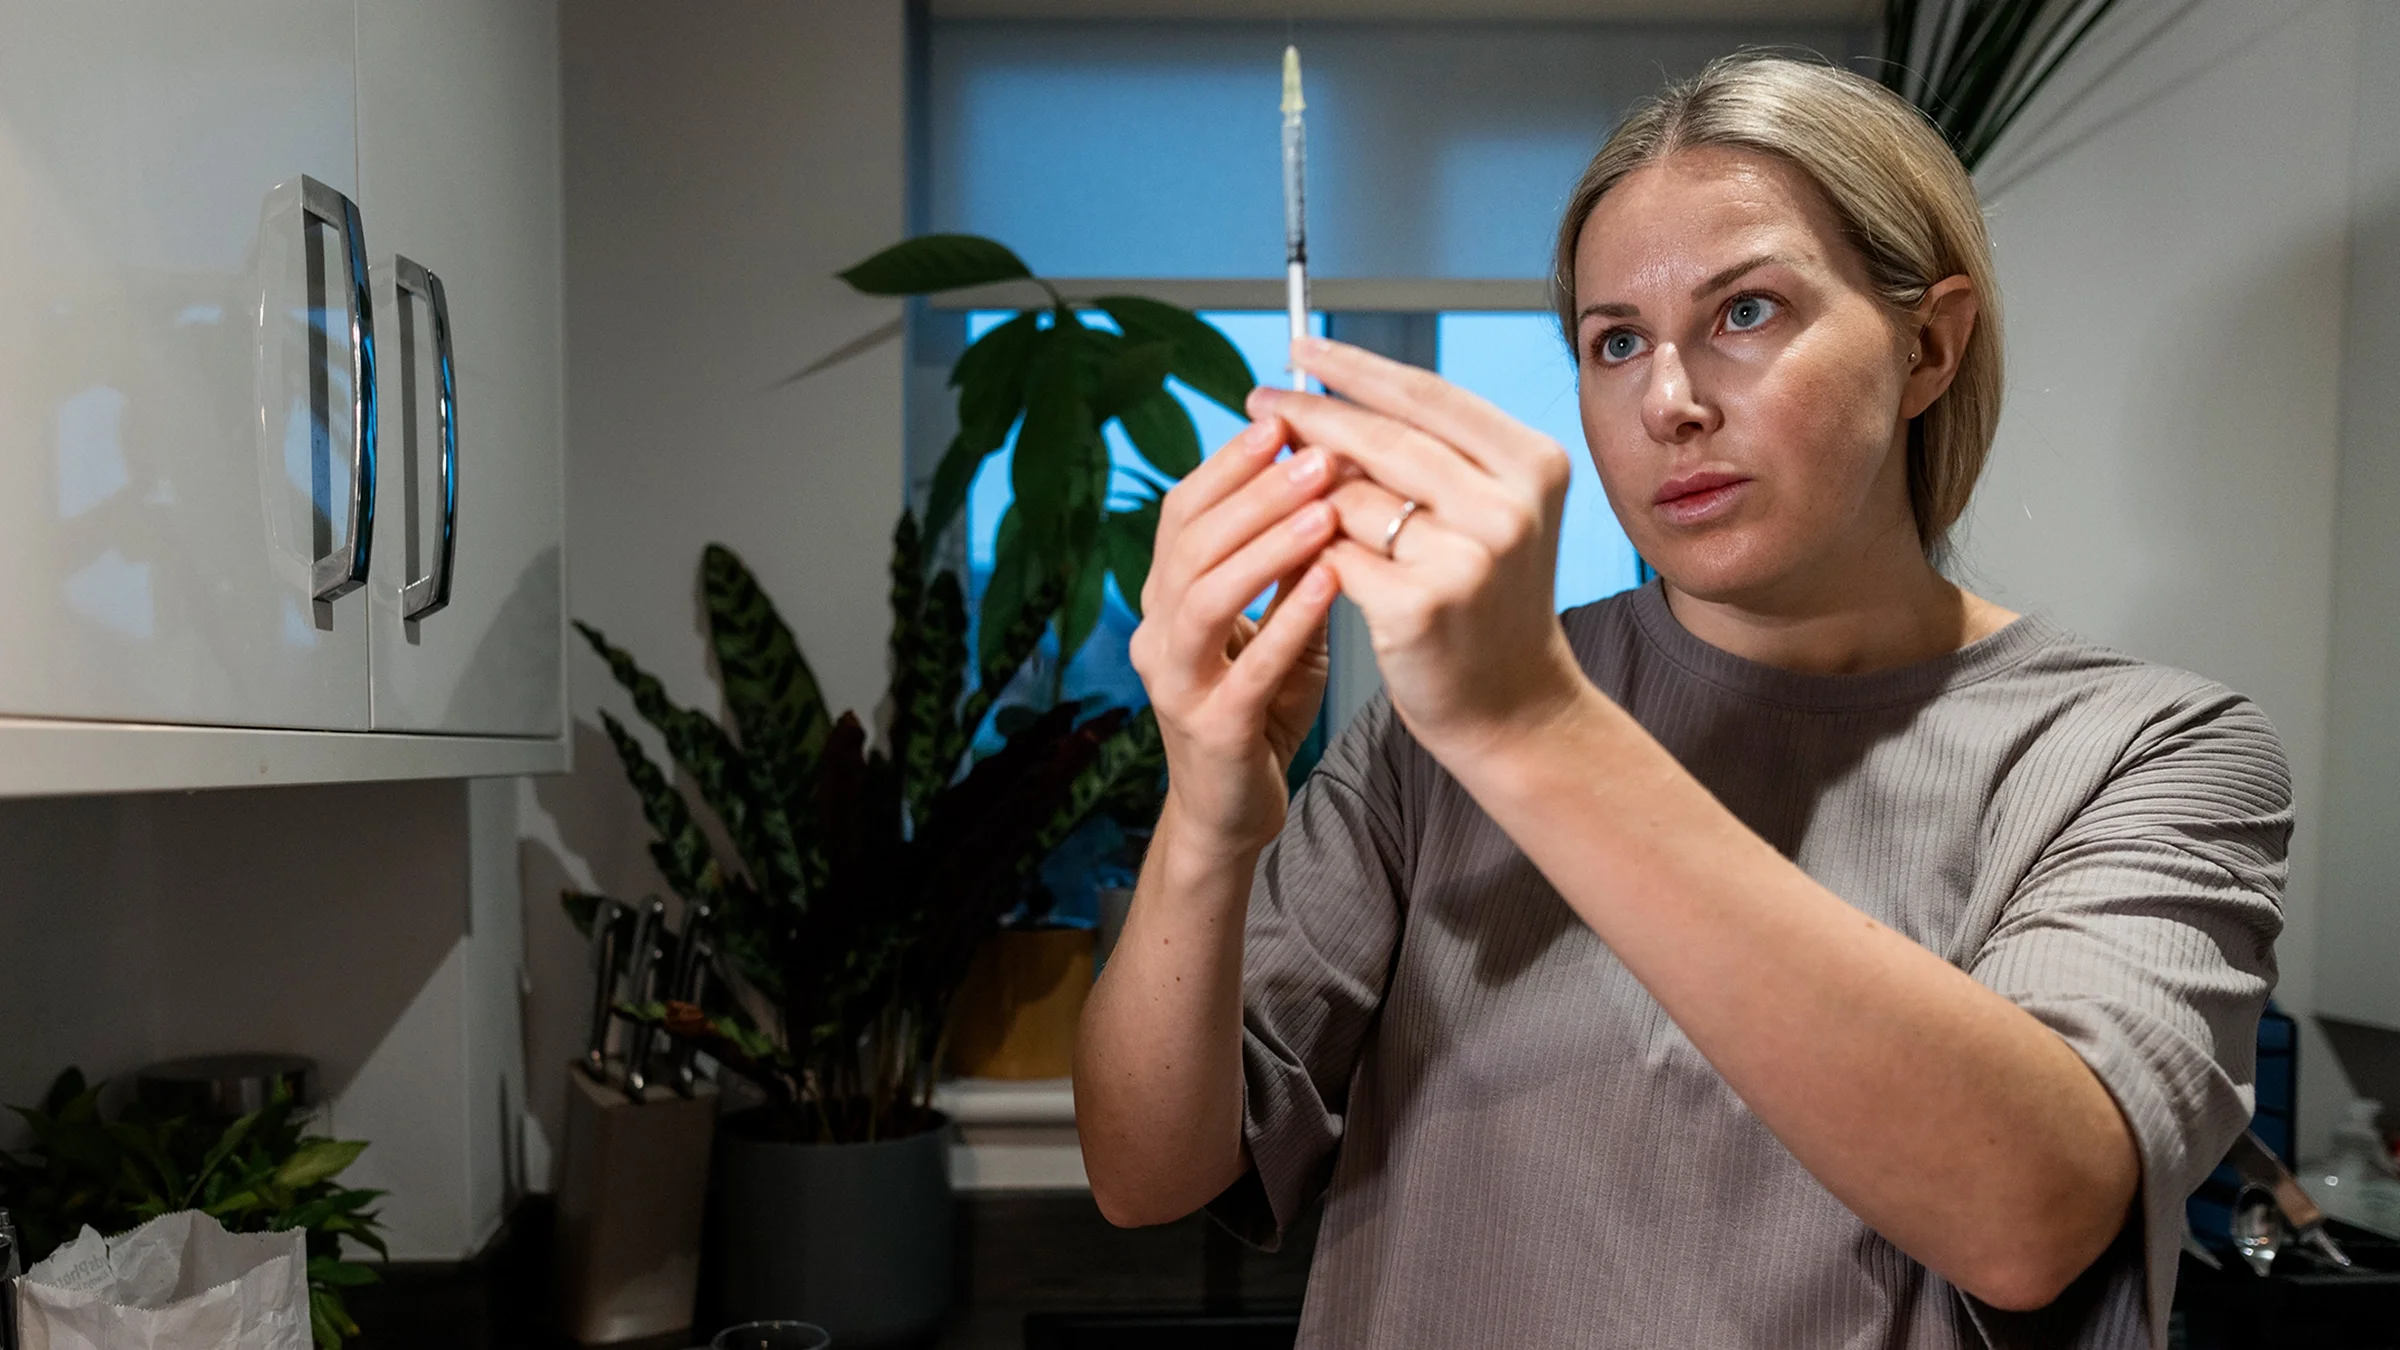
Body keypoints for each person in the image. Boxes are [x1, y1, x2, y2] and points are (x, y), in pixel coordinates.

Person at [1073, 53, 2287, 1350]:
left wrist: (1533, 726)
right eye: (1614, 342)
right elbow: (1148, 1173)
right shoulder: (1429, 743)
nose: (1671, 401)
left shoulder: (2142, 751)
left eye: (1747, 312)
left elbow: (2028, 1216)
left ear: (1928, 344)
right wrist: (1207, 814)